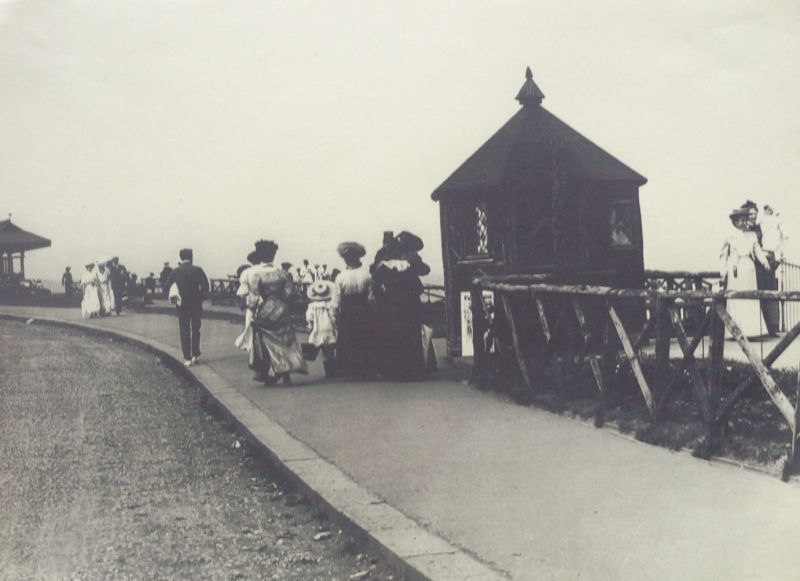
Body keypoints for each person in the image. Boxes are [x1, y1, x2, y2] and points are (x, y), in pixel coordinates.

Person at [238, 240, 306, 385]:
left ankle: (270, 372)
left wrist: (250, 307)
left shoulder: (257, 275)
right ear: (273, 256)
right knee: (285, 340)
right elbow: (290, 294)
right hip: (281, 309)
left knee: (267, 342)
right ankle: (286, 372)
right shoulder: (283, 274)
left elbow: (254, 299)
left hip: (265, 309)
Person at [371, 231, 429, 380]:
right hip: (410, 303)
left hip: (391, 304)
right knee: (411, 335)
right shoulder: (410, 263)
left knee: (392, 334)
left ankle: (393, 370)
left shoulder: (383, 264)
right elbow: (424, 271)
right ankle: (413, 369)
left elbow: (376, 279)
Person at [721, 208, 770, 338]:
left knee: (750, 297)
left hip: (748, 268)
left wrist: (764, 261)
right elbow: (723, 255)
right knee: (736, 298)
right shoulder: (730, 236)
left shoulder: (752, 236)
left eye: (745, 220)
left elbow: (757, 250)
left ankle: (751, 331)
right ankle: (734, 331)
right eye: (741, 221)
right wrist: (724, 271)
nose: (744, 223)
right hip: (736, 269)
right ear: (735, 222)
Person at [334, 242, 375, 379]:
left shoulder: (340, 277)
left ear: (345, 260)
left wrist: (335, 316)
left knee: (348, 338)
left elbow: (337, 300)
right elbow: (370, 297)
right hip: (363, 308)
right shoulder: (367, 275)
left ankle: (349, 370)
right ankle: (365, 369)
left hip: (347, 309)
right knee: (363, 337)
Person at [164, 248, 210, 366]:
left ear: (181, 257)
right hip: (196, 304)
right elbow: (205, 286)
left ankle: (187, 358)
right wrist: (201, 297)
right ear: (191, 257)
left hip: (182, 304)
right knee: (196, 329)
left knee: (184, 330)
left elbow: (166, 285)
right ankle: (196, 355)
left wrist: (174, 297)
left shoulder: (176, 271)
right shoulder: (198, 270)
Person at [305, 280, 338, 378]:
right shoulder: (329, 305)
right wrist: (335, 325)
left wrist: (310, 325)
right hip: (328, 328)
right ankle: (330, 372)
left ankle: (327, 370)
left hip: (317, 329)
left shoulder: (311, 306)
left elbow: (309, 317)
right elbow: (333, 317)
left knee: (319, 349)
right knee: (329, 351)